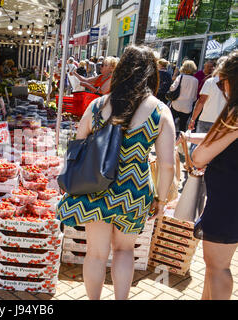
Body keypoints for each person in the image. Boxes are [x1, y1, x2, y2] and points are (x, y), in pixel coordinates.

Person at [56, 45, 176, 300]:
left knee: (96, 253)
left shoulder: (99, 104)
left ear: (121, 71)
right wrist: (162, 200)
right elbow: (167, 164)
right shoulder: (160, 110)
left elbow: (78, 145)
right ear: (151, 74)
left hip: (95, 185)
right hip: (134, 191)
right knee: (124, 252)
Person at [184, 50, 238, 300]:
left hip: (228, 202)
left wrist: (194, 145)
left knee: (218, 267)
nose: (221, 87)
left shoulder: (235, 115)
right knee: (215, 267)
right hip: (229, 199)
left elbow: (199, 157)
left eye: (222, 81)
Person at [188, 56, 228, 133]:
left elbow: (201, 101)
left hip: (206, 119)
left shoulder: (210, 81)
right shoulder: (232, 83)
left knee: (199, 144)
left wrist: (193, 119)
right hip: (223, 121)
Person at [168, 59, 198, 134]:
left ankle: (169, 135)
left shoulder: (180, 77)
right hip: (187, 106)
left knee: (170, 122)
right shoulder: (195, 80)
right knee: (183, 125)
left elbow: (172, 88)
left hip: (176, 104)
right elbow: (194, 96)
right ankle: (181, 140)